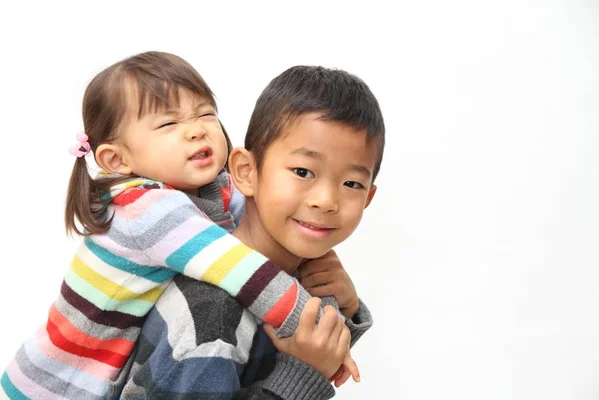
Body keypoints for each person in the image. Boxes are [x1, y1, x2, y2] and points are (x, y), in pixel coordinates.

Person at [0, 52, 358, 400]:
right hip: (55, 384)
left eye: (205, 114)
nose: (197, 131)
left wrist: (338, 300)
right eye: (169, 124)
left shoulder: (212, 187)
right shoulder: (149, 210)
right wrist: (318, 331)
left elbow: (270, 227)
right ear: (117, 159)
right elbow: (244, 267)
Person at [118, 64, 385, 399]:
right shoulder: (209, 317)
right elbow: (300, 370)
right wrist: (304, 374)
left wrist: (343, 310)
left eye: (351, 183)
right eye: (303, 171)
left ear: (369, 197)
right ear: (245, 171)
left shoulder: (302, 277)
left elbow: (300, 357)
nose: (326, 200)